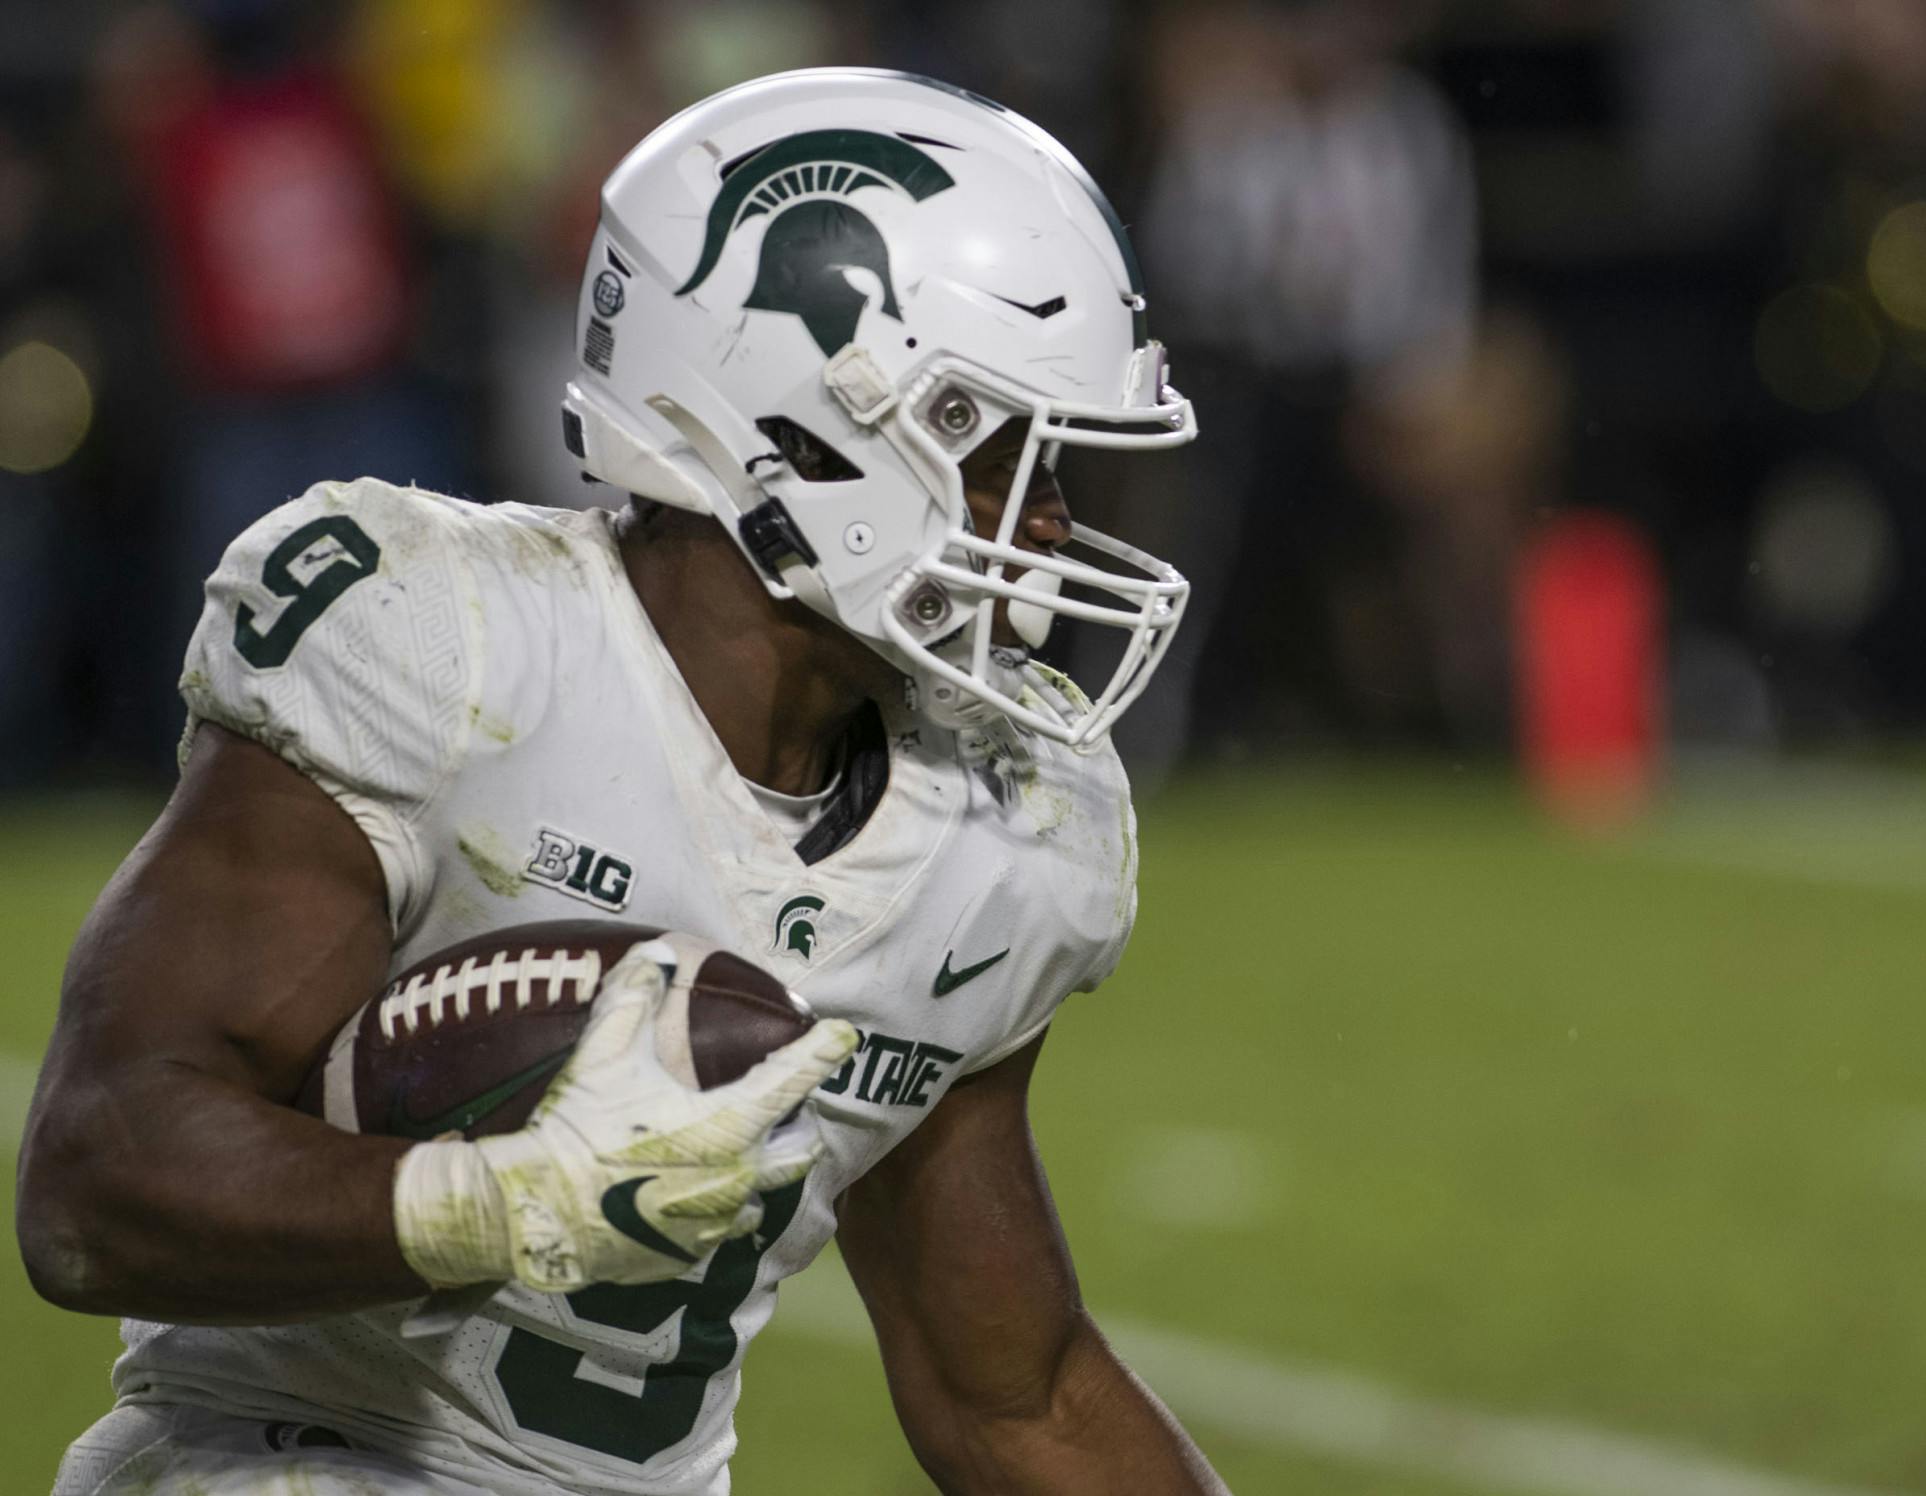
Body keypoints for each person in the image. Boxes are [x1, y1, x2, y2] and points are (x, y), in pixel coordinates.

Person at [17, 68, 1226, 1496]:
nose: (1048, 526)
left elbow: (1010, 1393)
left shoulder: (998, 826)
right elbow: (95, 1184)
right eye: (996, 455)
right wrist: (492, 1208)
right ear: (804, 419)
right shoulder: (446, 643)